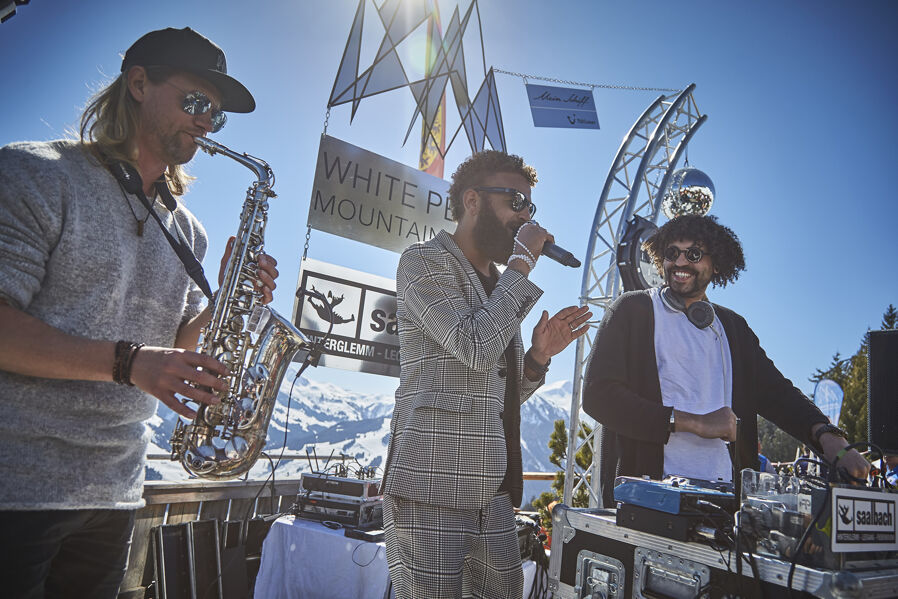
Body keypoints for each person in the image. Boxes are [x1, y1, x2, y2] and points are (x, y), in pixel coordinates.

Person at [0, 27, 280, 598]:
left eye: (217, 116)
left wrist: (229, 294)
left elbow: (178, 347)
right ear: (137, 84)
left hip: (116, 493)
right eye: (197, 102)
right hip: (16, 489)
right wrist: (130, 363)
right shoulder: (36, 174)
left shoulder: (188, 231)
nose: (206, 123)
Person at [381, 150, 591, 599]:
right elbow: (474, 346)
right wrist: (521, 263)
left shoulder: (500, 286)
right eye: (515, 200)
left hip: (493, 496)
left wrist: (536, 358)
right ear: (472, 200)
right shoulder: (424, 262)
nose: (524, 215)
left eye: (529, 206)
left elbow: (495, 395)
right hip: (430, 490)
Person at [583, 214, 869, 507]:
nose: (680, 262)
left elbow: (779, 395)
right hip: (646, 502)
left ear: (716, 263)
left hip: (726, 504)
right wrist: (693, 423)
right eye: (672, 253)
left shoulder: (733, 328)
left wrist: (828, 436)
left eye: (693, 254)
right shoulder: (633, 309)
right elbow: (598, 396)